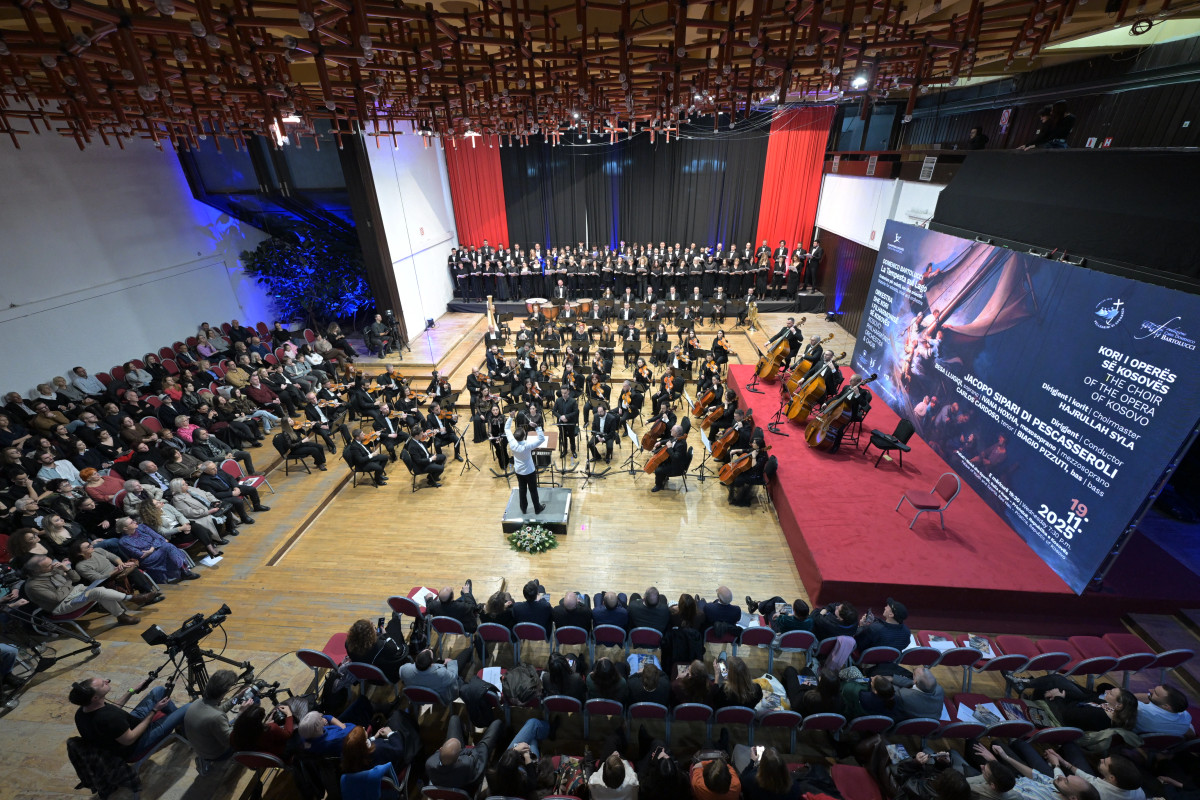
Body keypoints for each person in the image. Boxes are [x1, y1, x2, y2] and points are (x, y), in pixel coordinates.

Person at [70, 676, 191, 759]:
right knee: (189, 707)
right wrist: (154, 710)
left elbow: (113, 709)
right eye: (103, 684)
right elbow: (129, 739)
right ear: (95, 698)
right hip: (135, 746)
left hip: (129, 724)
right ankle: (186, 731)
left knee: (159, 691)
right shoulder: (108, 718)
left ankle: (181, 727)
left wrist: (132, 691)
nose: (107, 680)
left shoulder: (83, 711)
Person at [23, 554, 155, 626]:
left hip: (74, 592)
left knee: (101, 590)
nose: (53, 566)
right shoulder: (33, 585)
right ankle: (133, 598)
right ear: (37, 571)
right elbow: (57, 598)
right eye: (48, 566)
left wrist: (67, 570)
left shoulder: (54, 569)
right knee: (97, 592)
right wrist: (68, 583)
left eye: (51, 563)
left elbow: (75, 578)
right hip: (60, 606)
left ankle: (122, 617)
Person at [184, 670, 252, 762]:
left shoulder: (197, 702)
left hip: (202, 748)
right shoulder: (217, 717)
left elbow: (219, 710)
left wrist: (237, 698)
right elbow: (230, 741)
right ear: (223, 693)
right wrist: (240, 715)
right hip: (217, 754)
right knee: (250, 724)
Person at [424, 714, 503, 791]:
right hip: (473, 773)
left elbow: (440, 753)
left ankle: (464, 738)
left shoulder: (430, 763)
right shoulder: (466, 765)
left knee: (454, 718)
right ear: (459, 757)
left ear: (441, 749)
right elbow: (475, 753)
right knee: (497, 723)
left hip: (449, 782)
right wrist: (465, 750)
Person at [398, 648, 474, 705]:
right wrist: (450, 663)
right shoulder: (441, 673)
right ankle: (470, 651)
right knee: (466, 652)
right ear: (431, 664)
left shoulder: (405, 669)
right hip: (442, 696)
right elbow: (453, 676)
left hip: (419, 696)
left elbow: (401, 674)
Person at [505, 412, 546, 515]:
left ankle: (523, 508)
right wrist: (537, 427)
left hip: (519, 471)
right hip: (529, 471)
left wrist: (510, 417)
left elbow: (506, 429)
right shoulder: (527, 445)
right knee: (533, 490)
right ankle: (537, 508)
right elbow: (542, 439)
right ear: (524, 437)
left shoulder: (512, 443)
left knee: (522, 490)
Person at [344, 618, 408, 683]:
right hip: (383, 675)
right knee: (394, 626)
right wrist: (385, 635)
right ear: (370, 635)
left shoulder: (348, 644)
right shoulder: (380, 645)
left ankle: (395, 619)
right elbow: (394, 648)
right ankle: (396, 618)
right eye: (374, 628)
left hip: (362, 673)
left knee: (392, 625)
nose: (375, 628)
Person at [650, 424, 688, 493]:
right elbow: (669, 440)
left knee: (658, 470)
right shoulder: (677, 437)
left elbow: (675, 458)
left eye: (672, 430)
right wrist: (660, 442)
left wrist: (670, 447)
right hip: (673, 460)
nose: (670, 430)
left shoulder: (681, 444)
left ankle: (659, 485)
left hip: (677, 466)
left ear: (676, 433)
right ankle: (663, 477)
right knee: (659, 461)